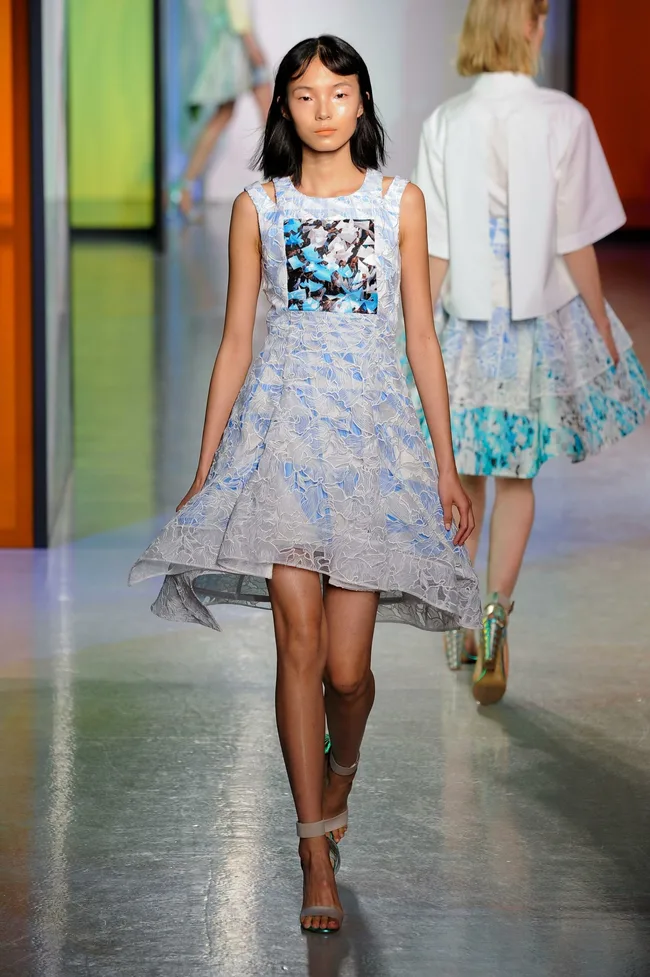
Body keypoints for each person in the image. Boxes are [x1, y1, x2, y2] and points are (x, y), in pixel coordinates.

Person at [130, 35, 482, 934]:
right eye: (304, 95)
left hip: (370, 447)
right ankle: (313, 845)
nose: (323, 110)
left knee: (349, 671)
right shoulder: (259, 207)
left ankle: (344, 768)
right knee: (298, 644)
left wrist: (445, 460)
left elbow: (421, 340)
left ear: (363, 103)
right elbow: (237, 342)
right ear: (283, 109)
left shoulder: (400, 204)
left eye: (339, 93)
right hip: (283, 439)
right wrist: (208, 465)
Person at [407, 0, 650, 703]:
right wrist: (602, 329)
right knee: (518, 478)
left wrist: (410, 329)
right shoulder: (564, 117)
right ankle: (494, 613)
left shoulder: (445, 122)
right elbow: (575, 237)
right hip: (531, 325)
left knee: (462, 477)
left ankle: (458, 613)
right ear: (531, 27)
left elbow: (438, 245)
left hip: (464, 323)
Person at [171, 0, 272, 218]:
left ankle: (183, 188)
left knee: (223, 117)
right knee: (269, 116)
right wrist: (252, 45)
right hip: (241, 46)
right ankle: (281, 187)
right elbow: (237, 11)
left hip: (228, 47)